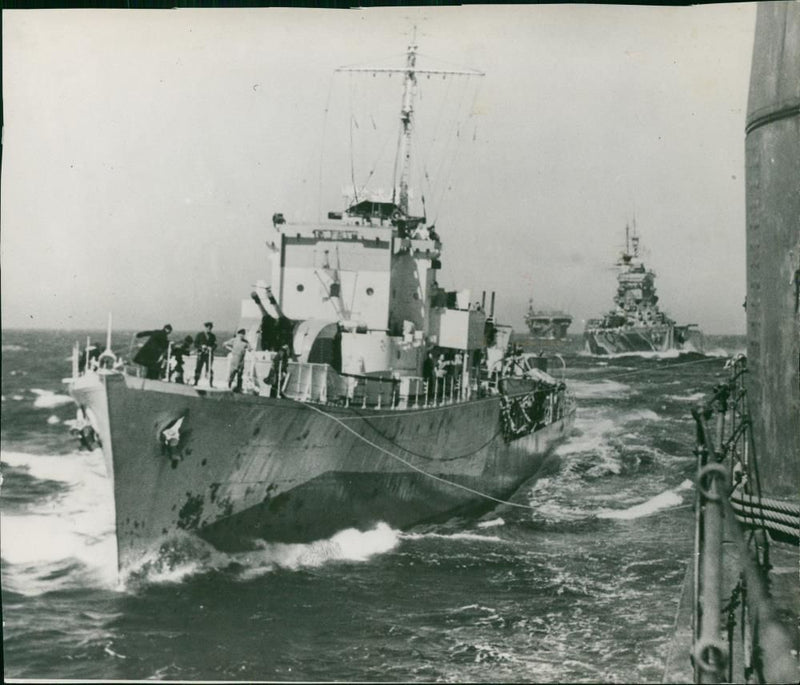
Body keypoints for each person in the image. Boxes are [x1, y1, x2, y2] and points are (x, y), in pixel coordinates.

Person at [250, 287, 295, 354]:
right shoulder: (279, 323)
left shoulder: (283, 324)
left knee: (275, 317)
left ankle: (262, 300)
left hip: (279, 339)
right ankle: (262, 300)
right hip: (275, 337)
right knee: (269, 317)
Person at [224, 328, 251, 393]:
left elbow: (250, 348)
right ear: (238, 334)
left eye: (243, 334)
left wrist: (248, 349)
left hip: (241, 361)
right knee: (232, 374)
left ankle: (239, 388)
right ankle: (229, 386)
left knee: (240, 375)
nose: (242, 335)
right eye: (241, 334)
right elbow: (224, 344)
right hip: (234, 360)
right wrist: (231, 349)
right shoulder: (234, 340)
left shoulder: (245, 342)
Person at [194, 321, 217, 387]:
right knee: (198, 368)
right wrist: (201, 347)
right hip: (201, 354)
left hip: (209, 355)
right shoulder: (200, 335)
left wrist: (211, 348)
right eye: (208, 328)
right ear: (205, 327)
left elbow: (215, 345)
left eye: (210, 328)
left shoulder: (212, 336)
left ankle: (210, 383)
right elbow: (195, 344)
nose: (209, 329)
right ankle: (196, 382)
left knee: (209, 369)